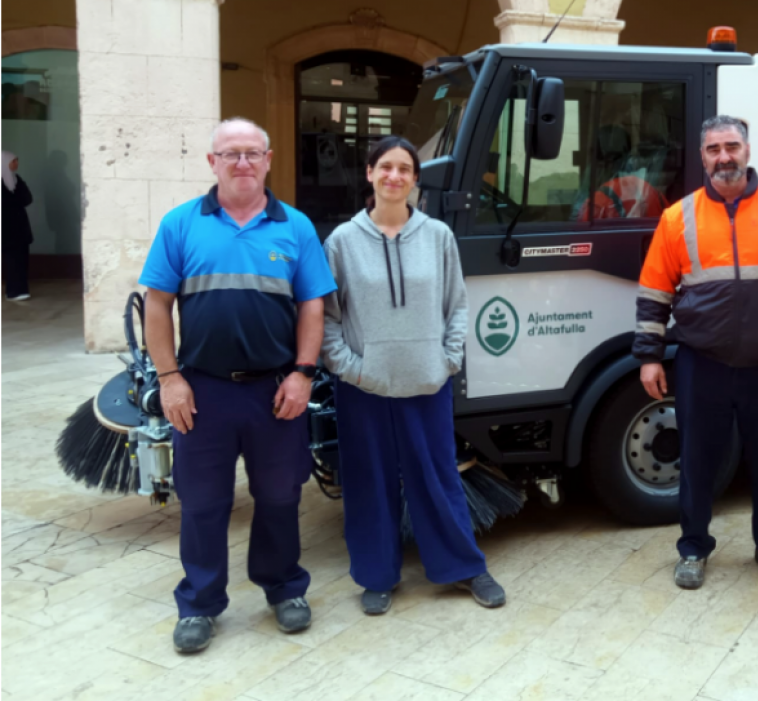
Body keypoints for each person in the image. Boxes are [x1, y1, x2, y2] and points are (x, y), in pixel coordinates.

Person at [140, 118, 336, 653]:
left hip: (275, 390)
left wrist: (302, 373)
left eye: (252, 153)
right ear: (212, 163)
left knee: (278, 495)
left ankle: (284, 588)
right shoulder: (180, 225)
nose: (242, 163)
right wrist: (169, 378)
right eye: (231, 154)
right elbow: (156, 304)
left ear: (269, 159)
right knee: (202, 502)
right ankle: (199, 603)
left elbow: (312, 306)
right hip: (201, 392)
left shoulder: (295, 227)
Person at [635, 115, 758, 590]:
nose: (724, 156)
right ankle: (694, 548)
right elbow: (654, 291)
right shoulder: (678, 217)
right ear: (703, 157)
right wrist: (649, 355)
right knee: (697, 463)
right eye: (714, 148)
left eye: (732, 146)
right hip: (705, 364)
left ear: (747, 150)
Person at [321, 135, 506, 615]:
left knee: (438, 477)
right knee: (369, 481)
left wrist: (445, 360)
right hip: (364, 389)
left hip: (427, 383)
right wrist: (352, 369)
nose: (394, 176)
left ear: (415, 179)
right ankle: (377, 575)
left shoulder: (438, 236)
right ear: (369, 174)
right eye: (385, 167)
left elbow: (457, 305)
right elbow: (328, 317)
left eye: (404, 169)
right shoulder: (341, 241)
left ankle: (463, 567)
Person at [2, 151, 34, 301]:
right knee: (13, 259)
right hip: (7, 227)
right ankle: (13, 291)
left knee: (22, 259)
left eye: (16, 161)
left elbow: (27, 199)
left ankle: (20, 290)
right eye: (13, 161)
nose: (16, 164)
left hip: (19, 226)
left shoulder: (16, 179)